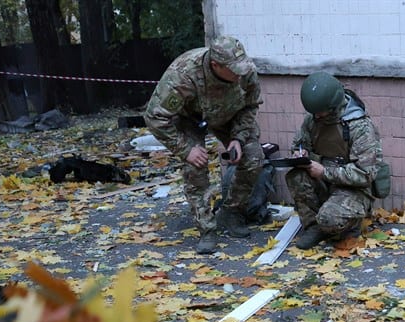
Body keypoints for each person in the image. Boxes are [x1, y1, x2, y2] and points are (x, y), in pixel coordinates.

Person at [144, 36, 264, 254]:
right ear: (215, 65)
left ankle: (232, 213)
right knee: (195, 167)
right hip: (190, 119)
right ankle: (207, 228)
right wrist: (186, 149)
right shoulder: (183, 74)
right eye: (233, 69)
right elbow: (154, 117)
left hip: (228, 116)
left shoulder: (245, 70)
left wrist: (238, 137)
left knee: (253, 155)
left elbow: (251, 105)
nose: (240, 74)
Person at [287, 71, 384, 249]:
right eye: (314, 114)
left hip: (354, 190)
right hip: (325, 182)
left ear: (332, 107)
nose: (316, 117)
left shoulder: (360, 126)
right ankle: (314, 227)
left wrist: (324, 172)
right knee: (296, 176)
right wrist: (299, 154)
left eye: (320, 114)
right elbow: (300, 144)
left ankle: (347, 225)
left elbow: (364, 174)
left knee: (329, 218)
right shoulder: (313, 119)